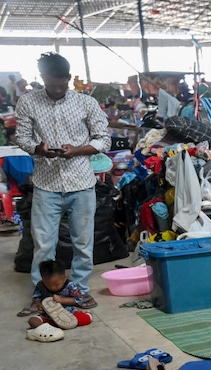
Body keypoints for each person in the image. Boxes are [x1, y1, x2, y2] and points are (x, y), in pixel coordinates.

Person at [14, 52, 108, 318]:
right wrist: (38, 148)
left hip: (81, 182)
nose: (57, 89)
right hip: (46, 184)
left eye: (61, 84)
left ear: (68, 78)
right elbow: (22, 136)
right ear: (42, 78)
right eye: (52, 84)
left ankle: (77, 290)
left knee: (83, 242)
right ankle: (41, 295)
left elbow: (104, 139)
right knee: (43, 245)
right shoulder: (28, 102)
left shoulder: (86, 103)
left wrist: (78, 150)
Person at [26, 259, 93, 331]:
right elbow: (37, 297)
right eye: (48, 284)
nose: (53, 287)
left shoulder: (70, 286)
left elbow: (78, 299)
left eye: (57, 284)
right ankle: (49, 328)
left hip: (69, 313)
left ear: (64, 278)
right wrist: (39, 305)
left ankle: (88, 314)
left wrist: (62, 300)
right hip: (49, 315)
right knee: (33, 321)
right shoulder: (40, 285)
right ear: (42, 279)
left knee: (83, 320)